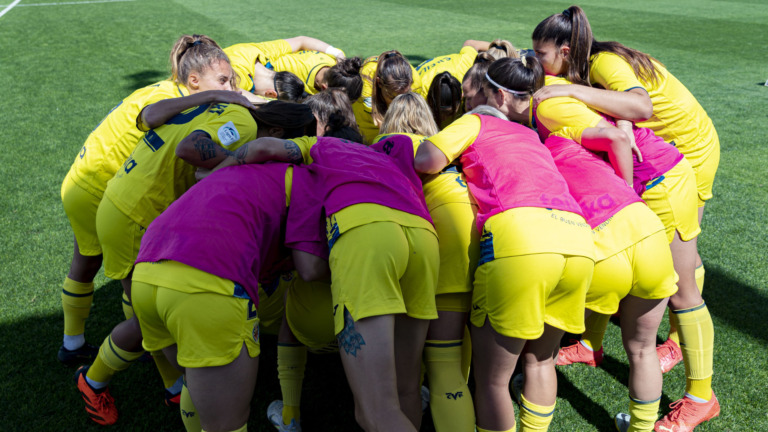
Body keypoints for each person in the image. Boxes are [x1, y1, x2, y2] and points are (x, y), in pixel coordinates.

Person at [532, 7, 720, 429]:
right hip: (657, 161)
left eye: (540, 54)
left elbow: (639, 105)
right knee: (637, 250)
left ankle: (700, 397)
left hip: (679, 160)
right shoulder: (578, 66)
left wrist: (573, 94)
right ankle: (592, 344)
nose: (536, 61)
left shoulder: (603, 63)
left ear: (565, 51)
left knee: (681, 284)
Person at [75, 100, 313, 426]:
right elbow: (308, 266)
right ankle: (98, 379)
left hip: (156, 250)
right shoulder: (253, 136)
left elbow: (153, 120)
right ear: (279, 136)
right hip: (164, 241)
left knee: (185, 363)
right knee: (219, 410)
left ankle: (100, 379)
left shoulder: (233, 157)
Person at [413, 62, 595, 430]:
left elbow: (425, 160)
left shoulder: (477, 120)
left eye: (476, 90)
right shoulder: (532, 136)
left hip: (521, 239)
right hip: (578, 241)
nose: (471, 97)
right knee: (540, 361)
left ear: (494, 95)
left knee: (493, 379)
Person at [58, 34, 256, 368]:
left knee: (116, 275)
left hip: (97, 179)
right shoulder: (175, 96)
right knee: (129, 283)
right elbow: (153, 121)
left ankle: (77, 343)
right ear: (195, 79)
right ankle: (151, 370)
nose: (230, 86)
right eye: (224, 80)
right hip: (100, 184)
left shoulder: (175, 89)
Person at [131, 160, 296, 432]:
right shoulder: (304, 179)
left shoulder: (236, 164)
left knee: (196, 376)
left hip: (147, 271)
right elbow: (309, 265)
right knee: (224, 424)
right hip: (203, 286)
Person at [374, 92, 479, 432]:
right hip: (480, 238)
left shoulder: (389, 144)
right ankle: (445, 402)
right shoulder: (442, 144)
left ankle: (434, 402)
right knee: (455, 348)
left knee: (441, 362)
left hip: (444, 244)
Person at [225, 36, 344, 101]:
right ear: (271, 93)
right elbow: (232, 93)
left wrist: (337, 53)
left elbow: (301, 40)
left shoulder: (260, 52)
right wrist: (265, 102)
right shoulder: (238, 81)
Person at [351, 50, 425, 144]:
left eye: (403, 96)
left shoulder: (416, 84)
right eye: (392, 97)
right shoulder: (367, 77)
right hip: (368, 121)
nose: (397, 103)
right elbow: (378, 121)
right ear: (379, 83)